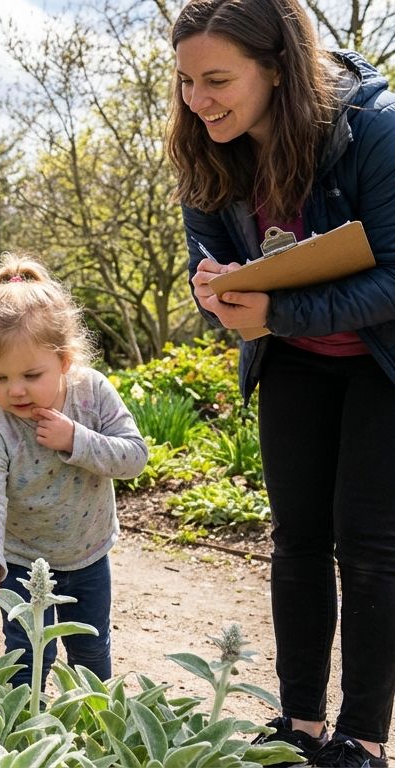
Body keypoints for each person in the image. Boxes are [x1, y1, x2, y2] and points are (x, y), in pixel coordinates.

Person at [169, 0, 395, 764]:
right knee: (297, 539)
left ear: (274, 68)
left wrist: (278, 308)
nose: (197, 101)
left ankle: (360, 739)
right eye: (185, 81)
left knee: (367, 547)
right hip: (290, 357)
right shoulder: (203, 151)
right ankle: (297, 726)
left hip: (381, 361)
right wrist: (216, 294)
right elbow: (210, 262)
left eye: (216, 80)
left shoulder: (377, 131)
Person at [0, 254, 147, 691]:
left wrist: (76, 440)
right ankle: (24, 739)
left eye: (31, 374)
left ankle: (98, 733)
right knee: (26, 656)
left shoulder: (93, 392)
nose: (16, 390)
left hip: (88, 554)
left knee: (90, 651)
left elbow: (134, 457)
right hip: (21, 560)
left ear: (64, 360)